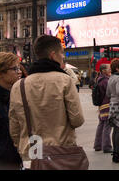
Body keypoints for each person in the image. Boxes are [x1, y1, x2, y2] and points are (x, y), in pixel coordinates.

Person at [9, 35, 85, 169]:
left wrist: (23, 144)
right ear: (53, 55)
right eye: (61, 52)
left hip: (31, 153)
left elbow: (14, 127)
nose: (63, 56)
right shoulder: (65, 80)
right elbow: (77, 120)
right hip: (61, 152)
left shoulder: (19, 85)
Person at [0, 52, 23, 169]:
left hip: (16, 160)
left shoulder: (16, 95)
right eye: (15, 69)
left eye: (19, 68)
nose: (19, 71)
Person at [93, 64, 113, 154]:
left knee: (101, 125)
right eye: (109, 69)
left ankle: (98, 145)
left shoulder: (99, 79)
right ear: (104, 71)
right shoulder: (105, 81)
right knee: (107, 126)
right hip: (107, 105)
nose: (110, 70)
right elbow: (110, 93)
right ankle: (106, 146)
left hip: (102, 105)